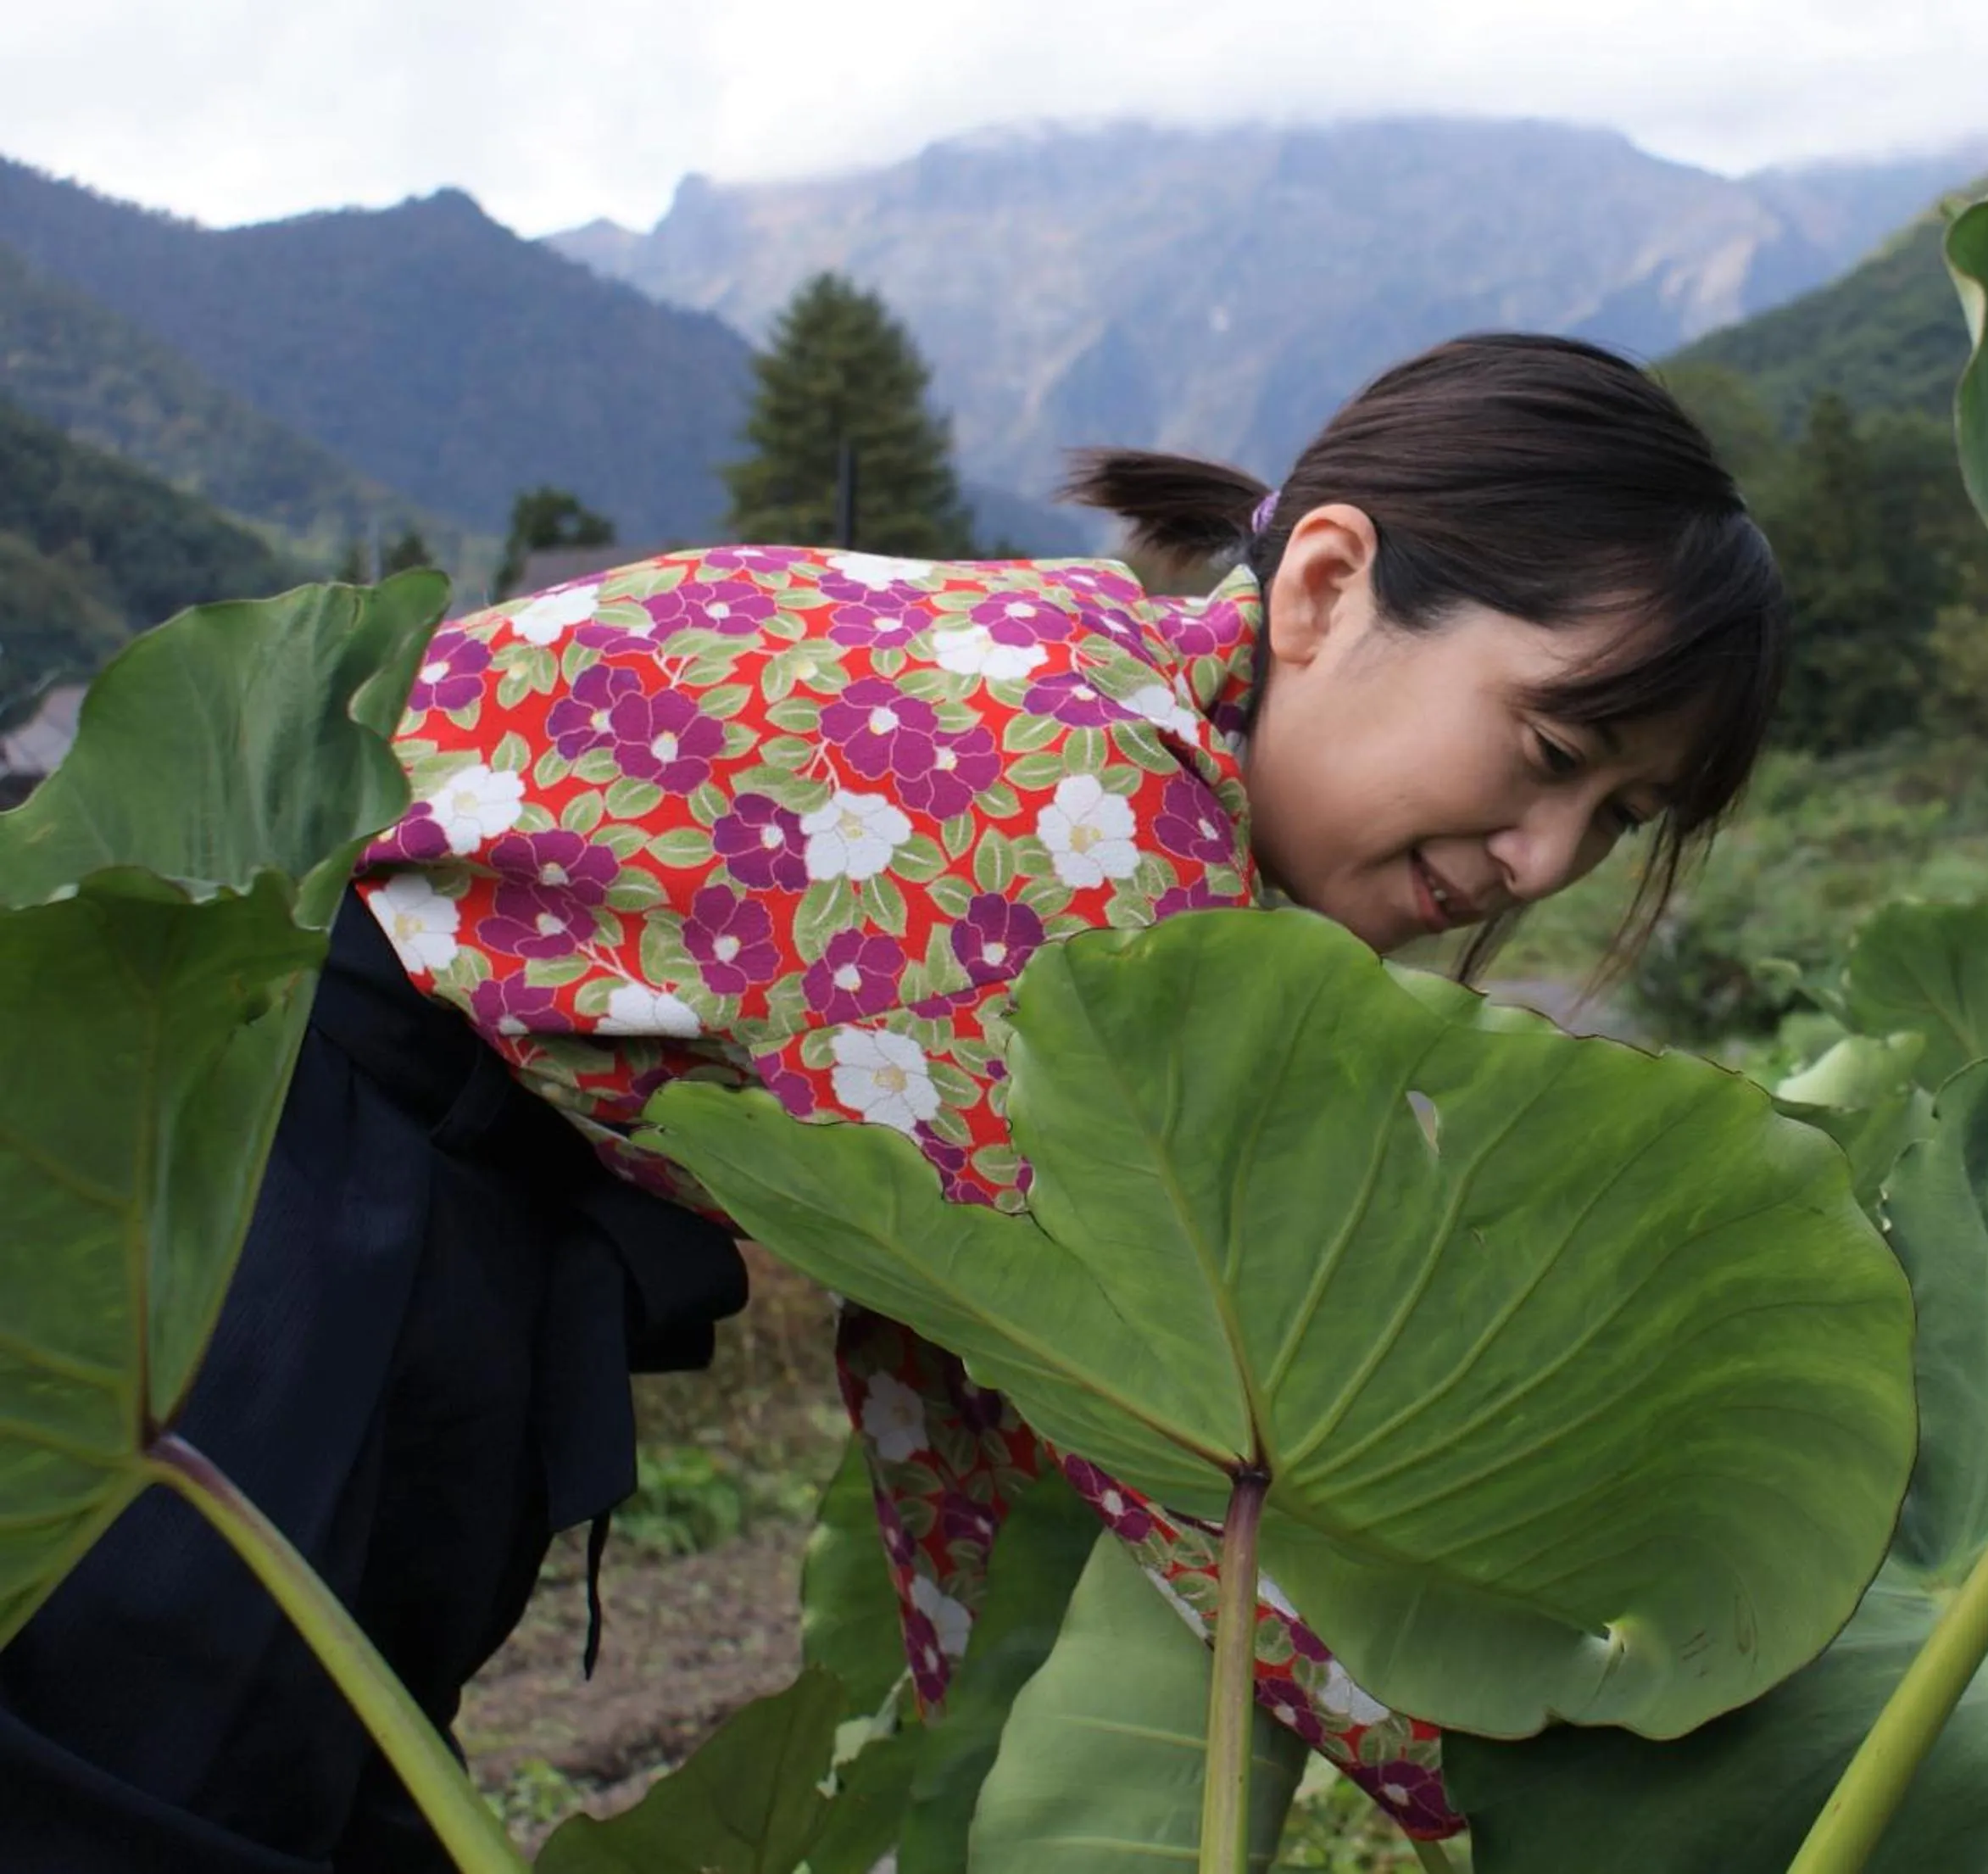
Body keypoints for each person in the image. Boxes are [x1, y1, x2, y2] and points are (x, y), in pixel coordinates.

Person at [0, 332, 1785, 1868]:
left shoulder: (1129, 721)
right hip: (266, 1170)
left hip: (455, 1198)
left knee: (317, 1790)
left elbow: (994, 1375)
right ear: (1324, 586)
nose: (1544, 856)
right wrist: (1616, 1770)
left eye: (1619, 818)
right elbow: (1187, 1444)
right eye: (1549, 753)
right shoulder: (1080, 819)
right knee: (154, 1792)